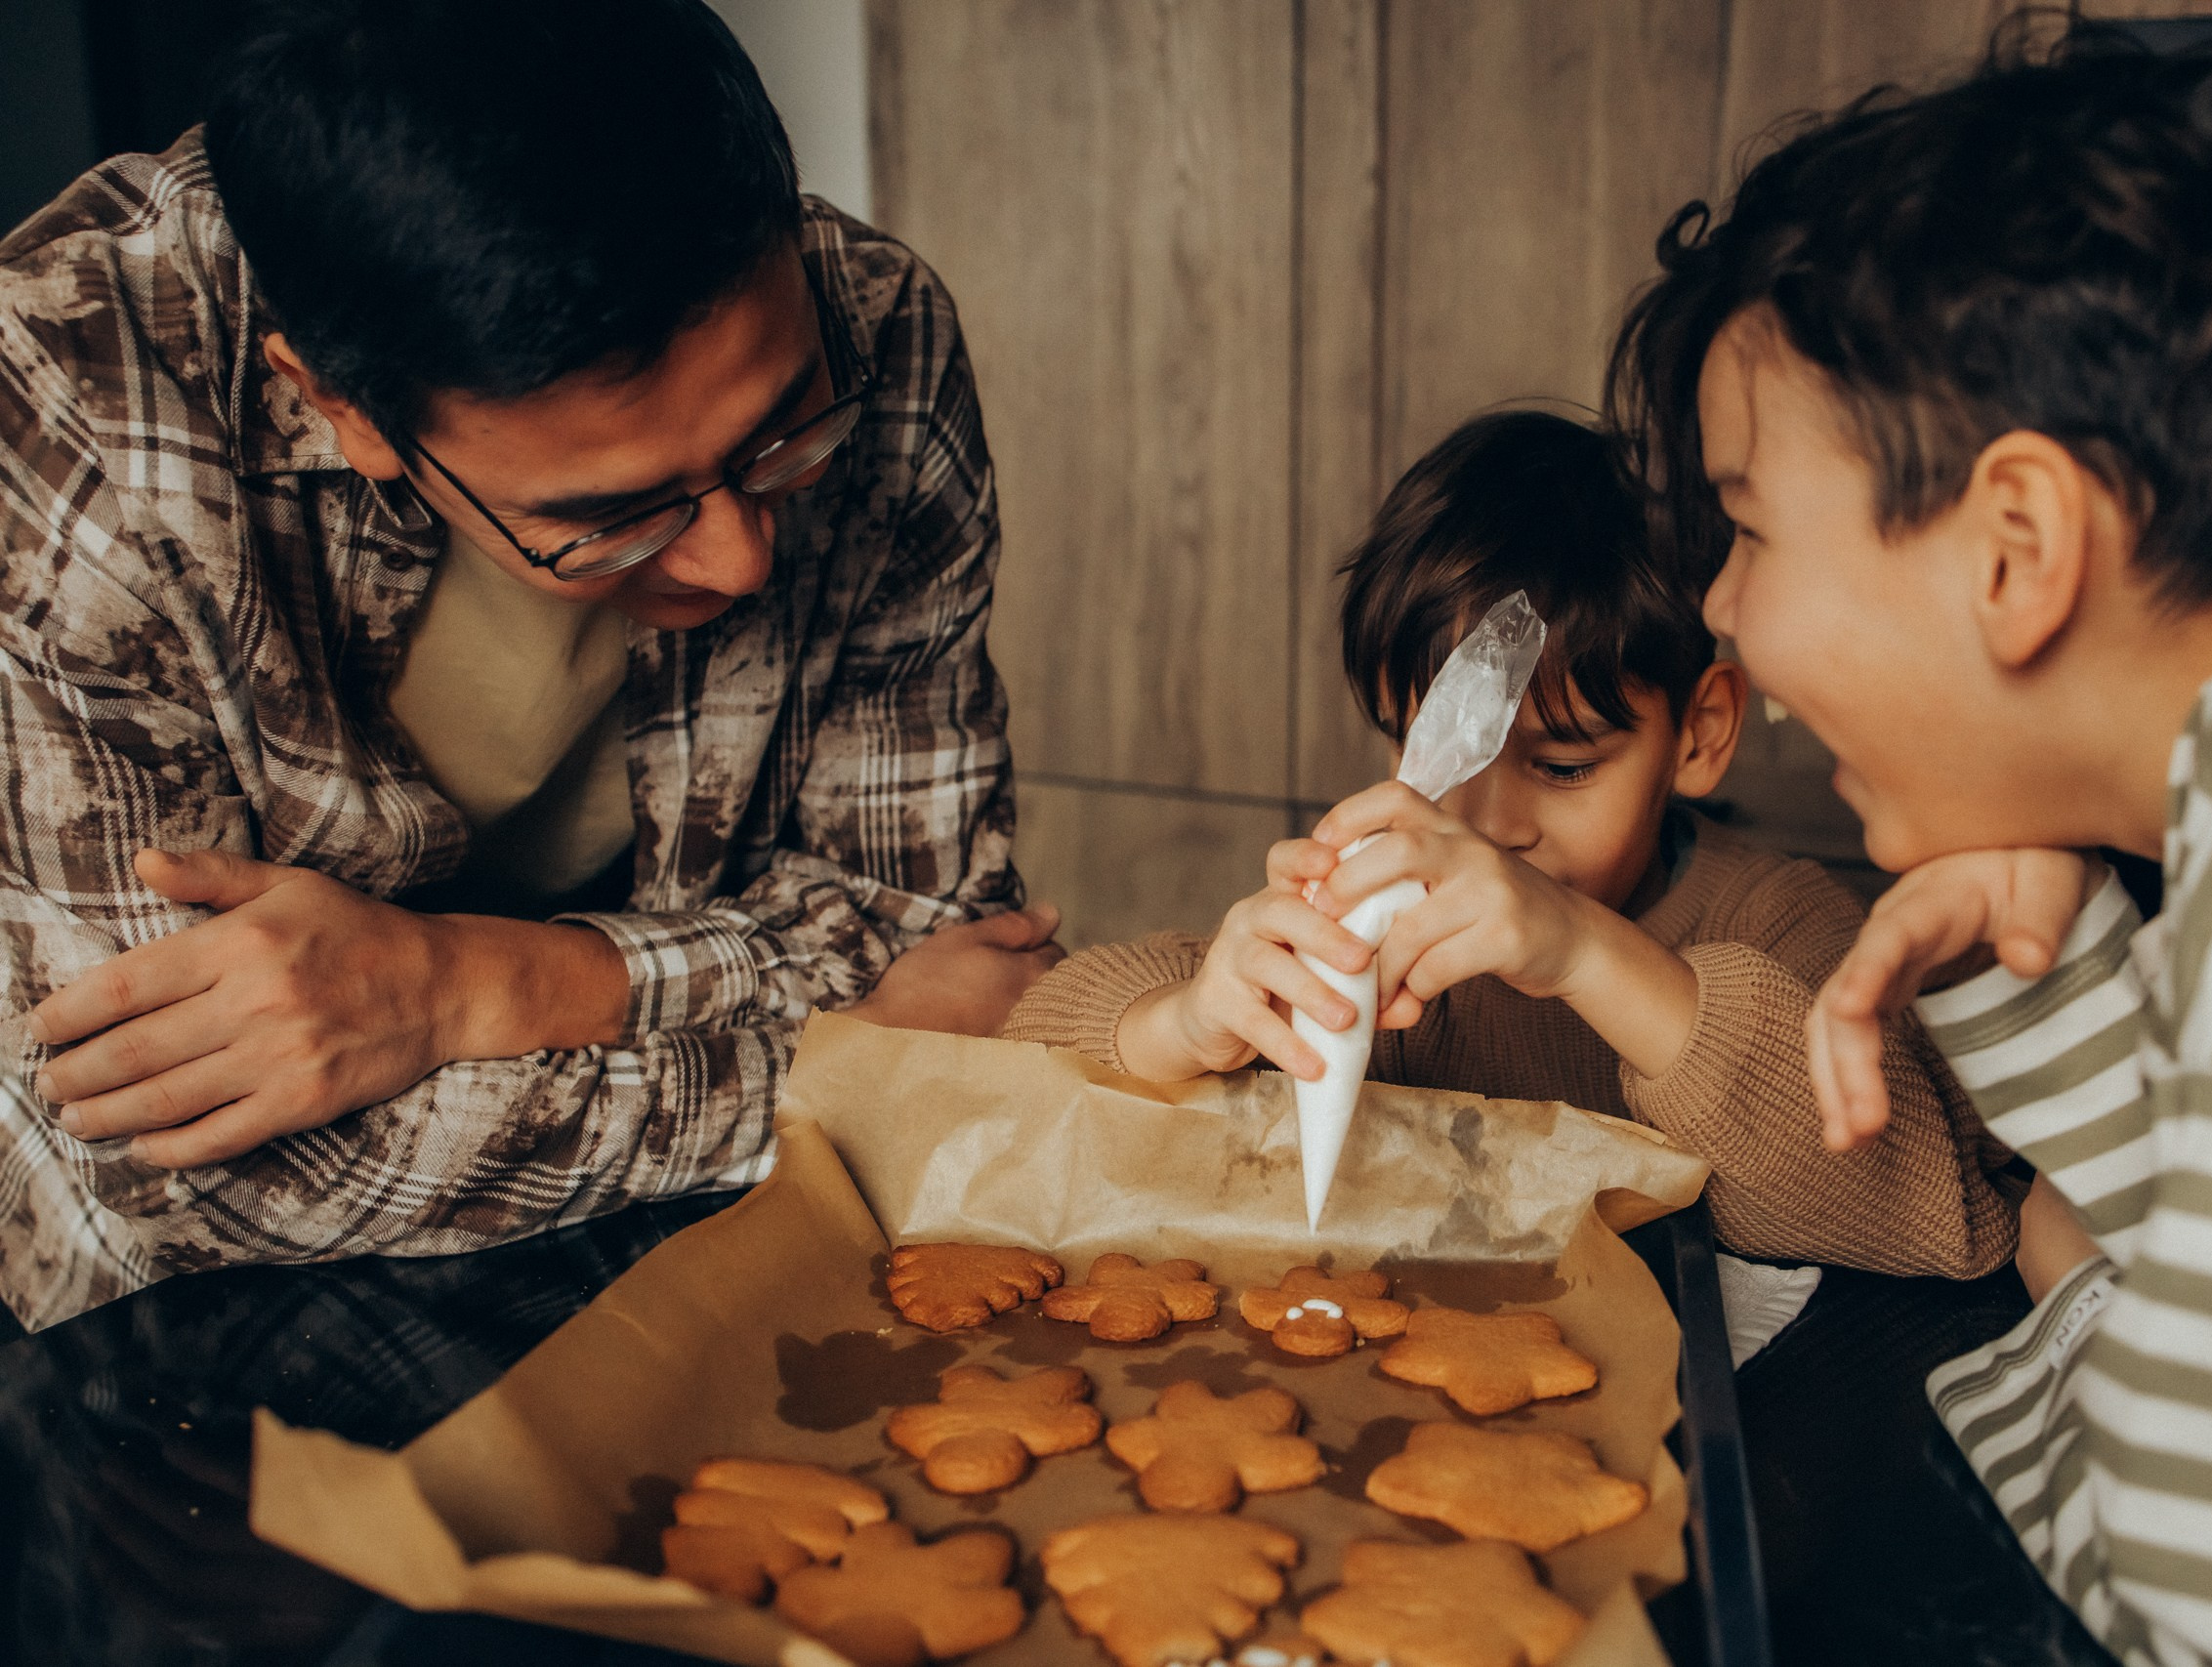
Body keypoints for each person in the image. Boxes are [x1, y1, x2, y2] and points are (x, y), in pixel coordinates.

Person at [1613, 22, 2212, 1666]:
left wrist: (2081, 1299)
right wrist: (2065, 964)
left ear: (2015, 547)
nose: (1720, 609)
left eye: (1746, 526)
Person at [0, 0, 1062, 1332]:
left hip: (748, 1240)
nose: (740, 559)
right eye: (616, 514)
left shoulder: (873, 321)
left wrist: (483, 982)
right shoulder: (62, 418)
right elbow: (191, 1170)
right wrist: (845, 1073)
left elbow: (935, 937)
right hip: (210, 1341)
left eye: (782, 432)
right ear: (336, 400)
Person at [1006, 409, 2019, 1280]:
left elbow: (1928, 1216)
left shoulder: (1786, 922)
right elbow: (1031, 1055)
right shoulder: (1394, 934)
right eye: (1448, 763)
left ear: (1701, 731)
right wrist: (1190, 1021)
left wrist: (1580, 950)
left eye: (1563, 766)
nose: (1488, 828)